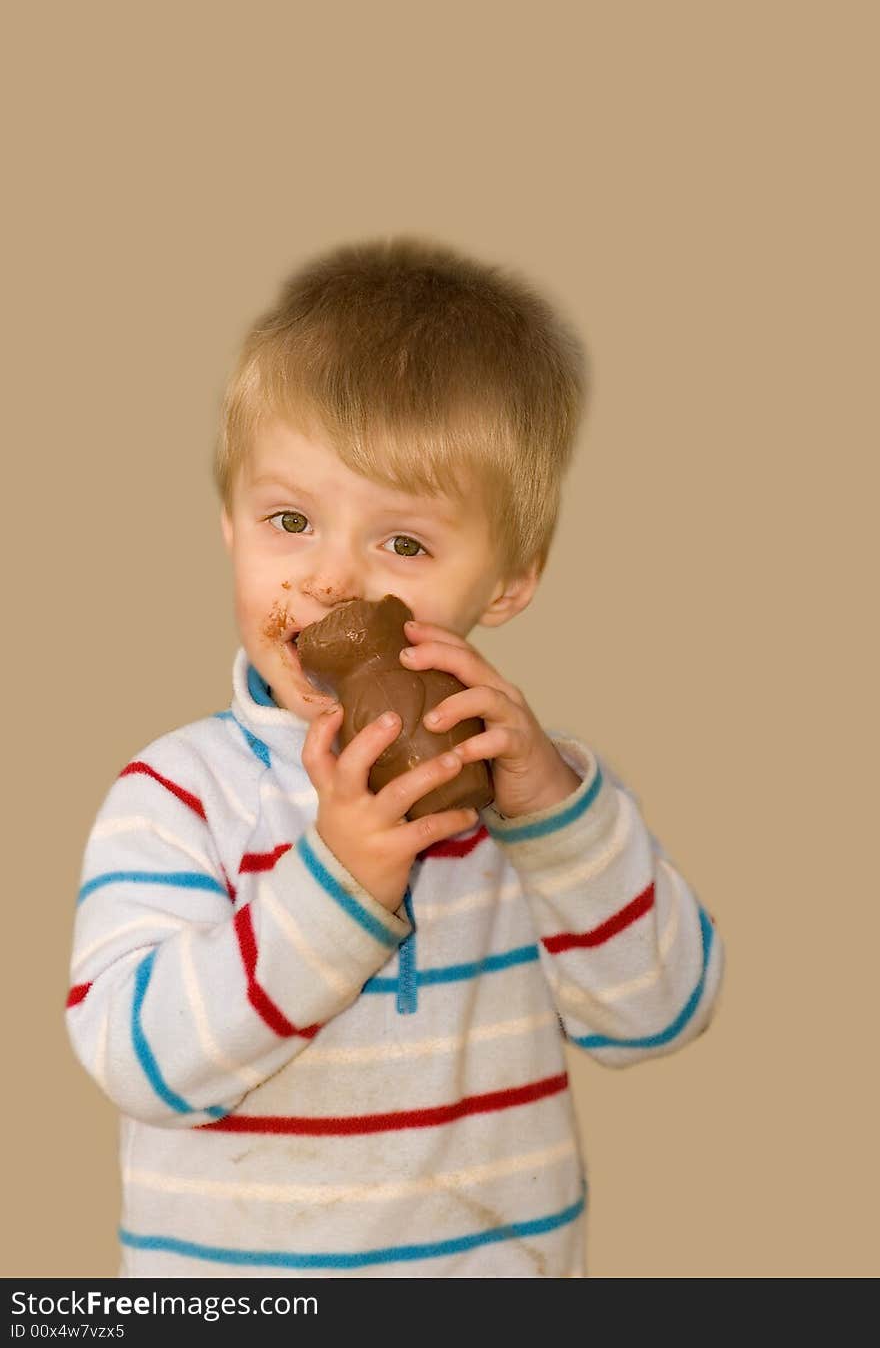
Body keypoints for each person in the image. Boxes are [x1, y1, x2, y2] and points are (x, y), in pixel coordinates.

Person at [66, 235, 724, 1279]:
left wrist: (557, 817)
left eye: (403, 544)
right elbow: (137, 1060)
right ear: (230, 529)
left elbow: (660, 1015)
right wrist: (335, 885)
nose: (333, 581)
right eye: (290, 520)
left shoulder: (538, 802)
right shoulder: (180, 793)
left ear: (507, 583)